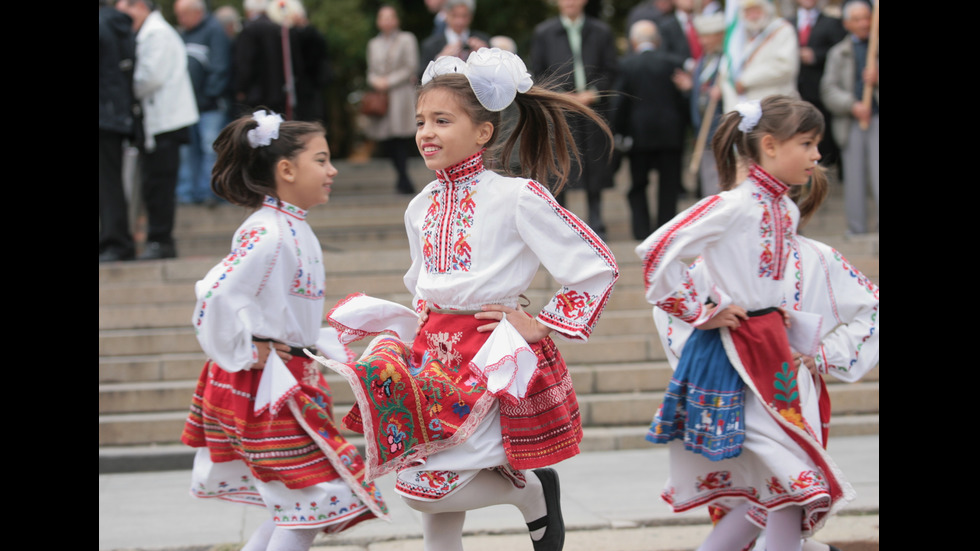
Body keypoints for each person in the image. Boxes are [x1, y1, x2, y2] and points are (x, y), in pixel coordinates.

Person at [315, 49, 619, 551]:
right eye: (420, 121)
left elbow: (594, 265)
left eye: (441, 120)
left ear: (482, 132)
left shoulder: (516, 195)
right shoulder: (420, 206)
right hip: (432, 355)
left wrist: (542, 323)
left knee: (426, 491)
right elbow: (421, 282)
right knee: (425, 478)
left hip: (488, 353)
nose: (426, 132)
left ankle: (531, 494)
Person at [635, 95, 851, 551]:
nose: (816, 155)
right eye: (808, 143)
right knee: (792, 480)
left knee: (783, 486)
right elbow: (657, 251)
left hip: (770, 351)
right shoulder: (731, 205)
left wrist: (778, 310)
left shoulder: (786, 211)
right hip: (733, 357)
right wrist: (701, 311)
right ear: (769, 145)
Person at [180, 111, 388, 551]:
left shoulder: (288, 225)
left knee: (301, 501)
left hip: (285, 378)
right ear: (286, 170)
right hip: (266, 385)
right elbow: (215, 293)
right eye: (322, 160)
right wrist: (242, 347)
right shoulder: (268, 231)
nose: (332, 170)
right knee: (316, 495)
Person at [116, 0, 199, 260]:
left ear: (139, 6)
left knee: (160, 185)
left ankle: (161, 240)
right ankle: (158, 239)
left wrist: (120, 84)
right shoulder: (153, 32)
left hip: (165, 123)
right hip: (160, 122)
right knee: (156, 184)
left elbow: (148, 78)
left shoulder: (157, 34)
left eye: (125, 13)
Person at [530, 0, 618, 236]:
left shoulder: (600, 31)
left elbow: (611, 69)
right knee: (560, 162)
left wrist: (594, 93)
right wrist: (559, 95)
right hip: (559, 110)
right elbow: (537, 72)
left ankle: (596, 220)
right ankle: (562, 220)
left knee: (595, 164)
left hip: (592, 108)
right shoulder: (544, 33)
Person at [612, 19, 688, 240]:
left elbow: (620, 103)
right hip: (671, 134)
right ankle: (666, 231)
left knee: (638, 185)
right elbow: (682, 99)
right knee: (669, 186)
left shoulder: (627, 65)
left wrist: (620, 131)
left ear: (633, 41)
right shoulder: (672, 63)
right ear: (657, 40)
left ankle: (641, 231)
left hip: (639, 135)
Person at [821, 0, 878, 236]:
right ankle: (856, 230)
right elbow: (828, 89)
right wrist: (851, 105)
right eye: (857, 19)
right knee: (854, 178)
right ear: (846, 24)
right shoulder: (838, 53)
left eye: (867, 17)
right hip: (851, 122)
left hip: (876, 118)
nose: (864, 23)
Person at [174, 0, 232, 205]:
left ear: (197, 12)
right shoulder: (183, 34)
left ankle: (212, 193)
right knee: (189, 151)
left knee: (211, 149)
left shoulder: (214, 31)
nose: (180, 20)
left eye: (183, 15)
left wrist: (209, 96)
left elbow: (220, 68)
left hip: (210, 106)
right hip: (188, 106)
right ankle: (188, 194)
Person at [365, 4, 419, 195]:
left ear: (396, 19)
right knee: (388, 139)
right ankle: (402, 177)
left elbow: (411, 66)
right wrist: (376, 81)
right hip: (382, 97)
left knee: (401, 137)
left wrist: (388, 81)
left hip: (400, 95)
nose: (387, 21)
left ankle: (404, 178)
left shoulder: (407, 39)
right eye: (383, 17)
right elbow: (370, 71)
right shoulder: (373, 44)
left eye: (390, 17)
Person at [99, 1, 136, 262]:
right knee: (109, 181)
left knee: (107, 183)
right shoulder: (114, 24)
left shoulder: (102, 26)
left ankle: (115, 241)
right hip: (113, 114)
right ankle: (115, 240)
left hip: (104, 115)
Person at [718, 0, 799, 113]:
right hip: (745, 108)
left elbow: (785, 67)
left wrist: (745, 80)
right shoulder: (739, 37)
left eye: (756, 10)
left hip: (775, 107)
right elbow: (728, 68)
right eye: (748, 11)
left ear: (766, 10)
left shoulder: (782, 30)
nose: (753, 15)